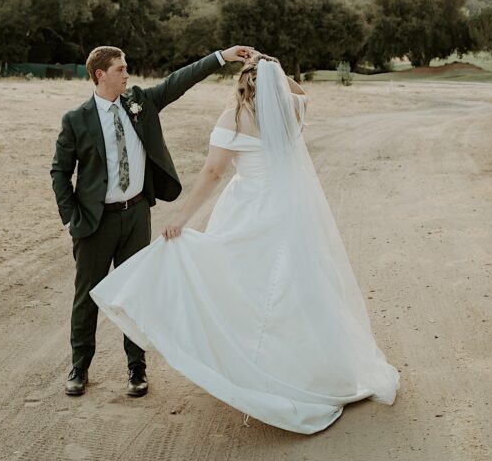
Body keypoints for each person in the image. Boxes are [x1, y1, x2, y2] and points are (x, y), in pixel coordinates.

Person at [90, 52, 399, 433]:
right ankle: (310, 370)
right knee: (294, 290)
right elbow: (302, 94)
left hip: (249, 212)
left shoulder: (233, 119)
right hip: (288, 212)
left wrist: (183, 219)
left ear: (241, 83)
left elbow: (214, 171)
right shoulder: (292, 113)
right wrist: (276, 72)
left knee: (244, 289)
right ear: (274, 83)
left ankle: (257, 370)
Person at [50, 43, 252, 399]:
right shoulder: (76, 119)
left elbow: (178, 81)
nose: (128, 74)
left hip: (136, 215)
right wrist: (71, 218)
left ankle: (136, 369)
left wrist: (221, 57)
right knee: (87, 297)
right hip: (95, 222)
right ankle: (79, 368)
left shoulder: (140, 103)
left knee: (136, 296)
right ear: (101, 75)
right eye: (121, 69)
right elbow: (59, 173)